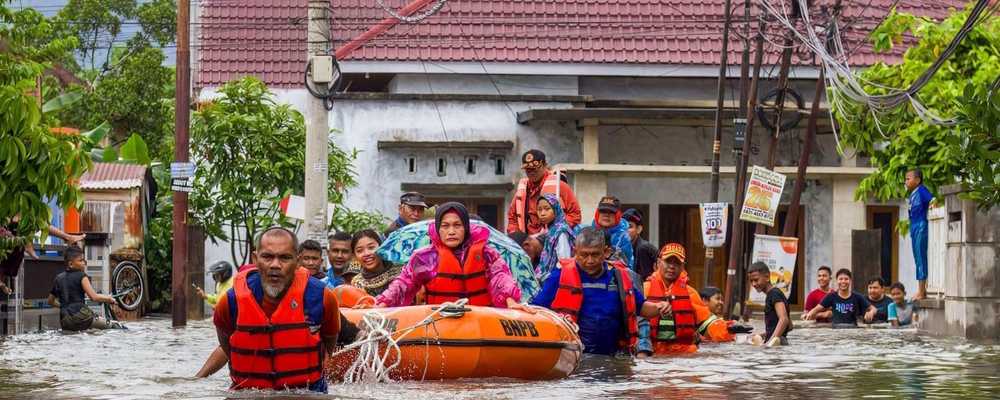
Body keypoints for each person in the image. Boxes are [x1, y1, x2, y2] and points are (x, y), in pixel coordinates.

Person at [211, 227, 341, 392]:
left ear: (298, 261)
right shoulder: (231, 301)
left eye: (285, 258)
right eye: (267, 257)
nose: (275, 265)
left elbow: (330, 339)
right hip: (248, 391)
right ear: (255, 258)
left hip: (307, 391)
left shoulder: (322, 297)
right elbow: (226, 343)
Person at [531, 226, 671, 357]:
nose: (590, 260)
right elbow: (537, 309)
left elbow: (641, 307)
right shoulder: (560, 275)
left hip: (614, 356)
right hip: (574, 356)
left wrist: (660, 307)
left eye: (595, 254)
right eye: (584, 255)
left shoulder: (619, 277)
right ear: (575, 251)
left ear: (606, 252)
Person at [375, 202, 527, 310]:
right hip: (441, 322)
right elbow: (403, 284)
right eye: (445, 226)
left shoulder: (487, 253)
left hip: (482, 321)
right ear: (438, 229)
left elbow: (500, 278)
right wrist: (382, 303)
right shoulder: (425, 257)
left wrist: (510, 301)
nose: (451, 231)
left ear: (466, 228)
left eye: (457, 225)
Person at [638, 243, 731, 355]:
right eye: (668, 261)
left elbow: (708, 324)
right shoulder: (644, 289)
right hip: (651, 353)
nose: (672, 266)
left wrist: (731, 329)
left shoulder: (690, 293)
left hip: (683, 354)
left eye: (677, 263)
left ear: (682, 267)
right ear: (658, 263)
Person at [507, 149, 582, 235]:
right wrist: (516, 235)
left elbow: (575, 214)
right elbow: (512, 217)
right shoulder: (522, 190)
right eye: (528, 170)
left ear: (545, 165)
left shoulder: (559, 185)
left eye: (534, 169)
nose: (531, 173)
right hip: (528, 242)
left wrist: (556, 230)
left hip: (553, 239)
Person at [47, 246, 117, 331]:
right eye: (80, 260)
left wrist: (63, 306)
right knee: (115, 327)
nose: (84, 262)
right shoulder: (82, 276)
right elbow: (93, 297)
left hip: (65, 321)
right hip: (82, 317)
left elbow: (50, 301)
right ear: (71, 264)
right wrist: (109, 299)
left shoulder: (58, 278)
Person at [803, 268, 877, 328]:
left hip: (853, 329)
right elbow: (816, 309)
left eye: (846, 279)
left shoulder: (857, 297)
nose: (843, 281)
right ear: (837, 280)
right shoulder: (831, 296)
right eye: (840, 279)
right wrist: (809, 314)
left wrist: (871, 312)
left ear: (850, 281)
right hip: (836, 329)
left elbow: (874, 309)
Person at [577, 196, 634, 269]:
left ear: (618, 215)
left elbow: (626, 266)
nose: (606, 215)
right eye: (603, 211)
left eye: (611, 212)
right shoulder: (584, 233)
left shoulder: (624, 238)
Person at [747, 262, 792, 346]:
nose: (753, 284)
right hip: (780, 342)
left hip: (777, 345)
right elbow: (789, 326)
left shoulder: (774, 294)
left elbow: (784, 319)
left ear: (767, 277)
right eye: (751, 281)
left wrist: (769, 343)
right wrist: (763, 335)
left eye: (756, 280)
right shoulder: (774, 294)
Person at [905, 168, 933, 300]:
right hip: (914, 227)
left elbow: (932, 201)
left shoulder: (922, 191)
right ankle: (921, 289)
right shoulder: (912, 194)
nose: (906, 181)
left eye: (908, 178)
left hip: (921, 226)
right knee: (917, 259)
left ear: (917, 180)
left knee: (921, 258)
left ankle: (922, 292)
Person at [349, 229, 401, 297]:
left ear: (381, 247)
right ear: (354, 256)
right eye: (359, 251)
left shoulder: (402, 271)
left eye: (371, 247)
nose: (366, 254)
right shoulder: (357, 283)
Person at [536, 193, 575, 280]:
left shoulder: (561, 232)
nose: (542, 213)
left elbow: (565, 261)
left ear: (556, 209)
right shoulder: (551, 230)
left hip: (557, 280)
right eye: (539, 209)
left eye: (547, 209)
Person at [623, 208, 657, 281]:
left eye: (629, 226)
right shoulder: (624, 247)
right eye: (623, 226)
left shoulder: (643, 248)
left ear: (638, 229)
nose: (625, 230)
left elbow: (644, 281)